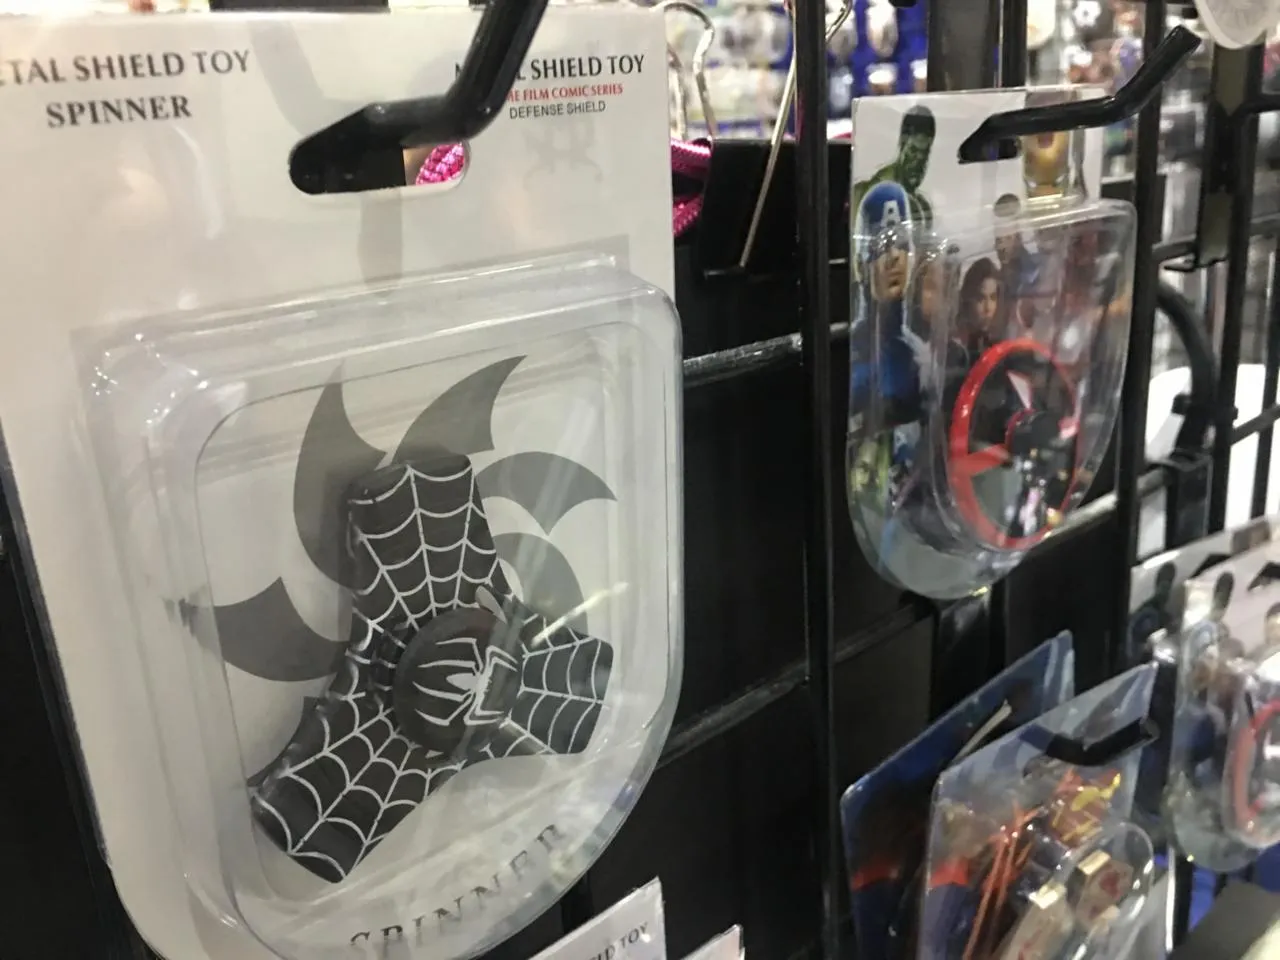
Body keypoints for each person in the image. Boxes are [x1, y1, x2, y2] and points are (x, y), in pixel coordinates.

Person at [852, 105, 936, 229]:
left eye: (924, 154)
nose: (918, 163)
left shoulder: (923, 207)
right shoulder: (866, 193)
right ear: (902, 145)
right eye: (913, 151)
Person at [956, 257, 1003, 356]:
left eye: (993, 298)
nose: (988, 308)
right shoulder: (955, 345)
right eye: (981, 299)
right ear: (967, 300)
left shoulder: (999, 344)